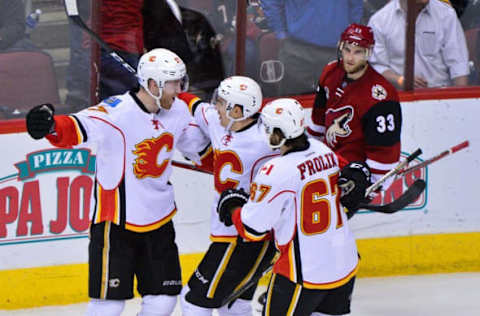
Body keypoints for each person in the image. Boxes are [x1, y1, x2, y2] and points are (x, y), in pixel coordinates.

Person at [25, 48, 209, 316]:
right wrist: (51, 126)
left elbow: (200, 151)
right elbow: (76, 127)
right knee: (108, 306)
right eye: (173, 83)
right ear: (153, 84)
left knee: (164, 301)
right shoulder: (116, 113)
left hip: (159, 220)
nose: (179, 89)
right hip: (116, 223)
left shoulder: (178, 110)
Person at [216, 98, 371, 316]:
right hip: (343, 264)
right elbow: (349, 171)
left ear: (276, 133)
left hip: (304, 274)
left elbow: (252, 229)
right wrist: (358, 169)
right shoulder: (322, 150)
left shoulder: (275, 171)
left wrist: (233, 205)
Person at [177, 76, 278, 316]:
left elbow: (301, 154)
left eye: (221, 102)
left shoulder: (267, 140)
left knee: (193, 299)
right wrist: (175, 92)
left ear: (238, 110)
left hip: (245, 237)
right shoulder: (217, 120)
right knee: (234, 305)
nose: (215, 106)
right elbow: (195, 105)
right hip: (230, 233)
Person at [307, 23, 402, 217]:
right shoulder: (330, 72)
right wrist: (307, 157)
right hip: (326, 165)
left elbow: (385, 153)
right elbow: (318, 120)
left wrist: (369, 186)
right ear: (340, 46)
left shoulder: (380, 96)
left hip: (351, 174)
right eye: (347, 50)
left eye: (358, 52)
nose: (350, 58)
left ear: (368, 53)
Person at [260, 0, 363, 95]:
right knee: (292, 106)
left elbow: (356, 5)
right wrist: (280, 32)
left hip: (336, 52)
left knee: (340, 106)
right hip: (297, 51)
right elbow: (271, 3)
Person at [368, 0, 470, 88]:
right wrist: (401, 81)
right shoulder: (379, 21)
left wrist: (460, 101)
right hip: (400, 98)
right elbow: (377, 66)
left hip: (440, 96)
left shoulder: (446, 15)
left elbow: (458, 64)